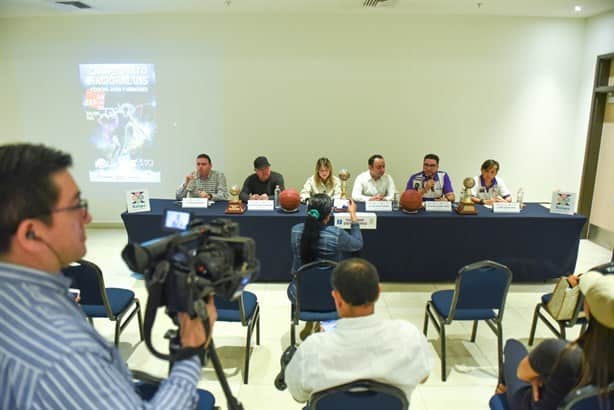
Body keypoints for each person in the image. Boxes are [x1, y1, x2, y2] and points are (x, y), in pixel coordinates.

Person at [0, 143, 216, 409]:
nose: (88, 217)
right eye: (75, 206)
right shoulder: (66, 353)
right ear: (30, 234)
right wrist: (191, 351)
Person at [285, 258, 432, 404]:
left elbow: (298, 395)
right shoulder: (408, 336)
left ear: (337, 298)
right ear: (378, 292)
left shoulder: (312, 349)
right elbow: (423, 376)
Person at [495, 266, 614, 410]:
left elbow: (522, 374)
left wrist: (540, 377)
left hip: (535, 404)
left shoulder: (561, 353)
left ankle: (504, 396)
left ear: (588, 308)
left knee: (513, 347)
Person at [289, 193, 362, 338]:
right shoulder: (336, 234)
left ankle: (313, 320)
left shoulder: (295, 231)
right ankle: (325, 323)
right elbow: (357, 244)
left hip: (300, 295)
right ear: (329, 215)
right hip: (332, 297)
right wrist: (353, 216)